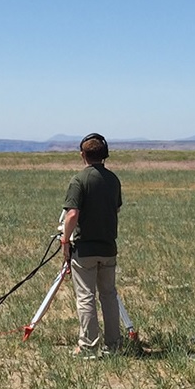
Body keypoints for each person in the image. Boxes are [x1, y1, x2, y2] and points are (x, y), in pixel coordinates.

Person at [60, 133, 123, 359]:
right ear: (104, 155)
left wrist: (65, 240)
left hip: (84, 249)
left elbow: (72, 214)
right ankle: (113, 344)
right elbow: (116, 209)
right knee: (109, 295)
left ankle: (88, 346)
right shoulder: (113, 179)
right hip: (108, 249)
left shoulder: (79, 180)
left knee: (85, 297)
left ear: (82, 155)